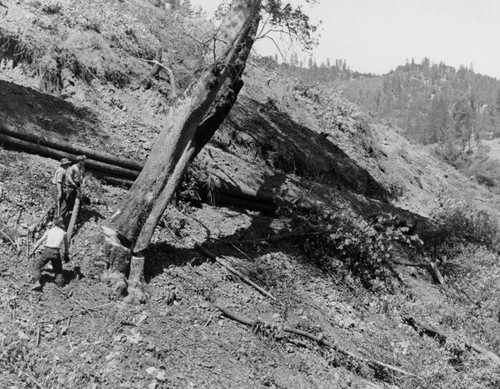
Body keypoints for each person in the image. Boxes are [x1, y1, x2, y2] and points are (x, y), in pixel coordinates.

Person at [30, 216, 69, 291]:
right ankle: (60, 285)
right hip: (56, 252)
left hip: (47, 251)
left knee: (37, 266)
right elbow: (66, 246)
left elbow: (40, 241)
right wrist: (66, 255)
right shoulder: (64, 233)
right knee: (58, 270)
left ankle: (37, 281)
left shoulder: (49, 231)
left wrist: (33, 250)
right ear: (60, 223)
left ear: (54, 223)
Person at [65, 155, 86, 220]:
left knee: (79, 199)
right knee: (68, 198)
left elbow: (84, 176)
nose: (84, 162)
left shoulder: (82, 168)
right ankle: (66, 212)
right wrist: (73, 183)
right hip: (71, 184)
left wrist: (83, 182)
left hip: (78, 184)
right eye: (82, 161)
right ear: (79, 161)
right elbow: (69, 177)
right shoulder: (73, 167)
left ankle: (77, 215)